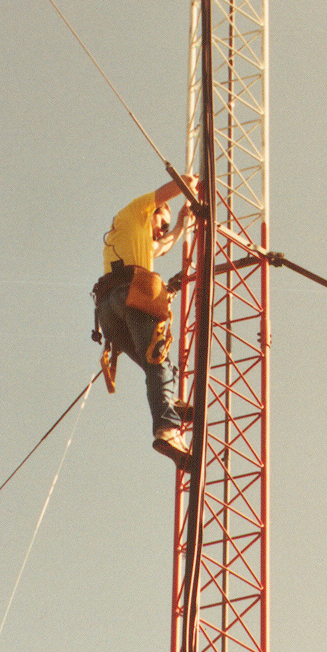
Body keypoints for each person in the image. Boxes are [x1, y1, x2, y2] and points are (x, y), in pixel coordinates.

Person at [92, 175, 200, 469]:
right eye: (162, 222)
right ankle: (167, 429)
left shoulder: (127, 235)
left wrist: (180, 224)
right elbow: (172, 188)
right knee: (156, 360)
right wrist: (191, 183)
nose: (161, 231)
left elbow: (161, 247)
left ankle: (170, 401)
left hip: (108, 310)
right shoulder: (137, 209)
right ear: (153, 212)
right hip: (133, 294)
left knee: (153, 362)